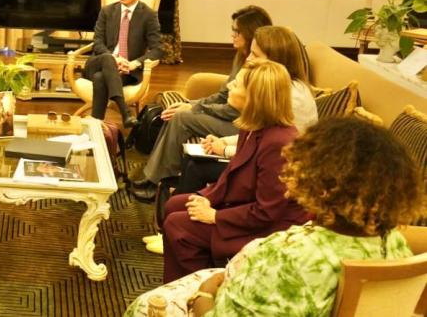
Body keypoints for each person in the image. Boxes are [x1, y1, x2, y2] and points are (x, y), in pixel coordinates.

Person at [124, 116, 425, 316]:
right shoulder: (395, 245)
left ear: (318, 184)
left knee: (143, 307)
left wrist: (204, 294)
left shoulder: (288, 257)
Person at [161, 60, 311, 282]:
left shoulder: (279, 143)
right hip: (247, 207)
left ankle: (199, 288)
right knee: (175, 205)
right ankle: (188, 276)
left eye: (237, 84)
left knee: (178, 226)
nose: (229, 86)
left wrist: (215, 216)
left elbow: (267, 212)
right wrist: (204, 198)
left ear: (254, 96)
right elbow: (231, 176)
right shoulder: (251, 127)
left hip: (273, 229)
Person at [131, 5, 273, 201]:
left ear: (250, 34)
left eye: (236, 31)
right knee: (177, 111)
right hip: (231, 115)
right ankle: (153, 176)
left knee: (182, 118)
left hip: (240, 124)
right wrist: (192, 103)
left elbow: (234, 110)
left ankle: (156, 181)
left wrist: (194, 107)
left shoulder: (261, 69)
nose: (232, 35)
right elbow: (224, 95)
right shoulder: (242, 57)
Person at [175, 26, 317, 194]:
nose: (248, 58)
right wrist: (225, 142)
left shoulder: (287, 96)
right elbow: (256, 135)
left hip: (281, 170)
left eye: (255, 55)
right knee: (192, 159)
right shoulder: (279, 87)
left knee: (196, 166)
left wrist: (225, 149)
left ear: (275, 60)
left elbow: (268, 149)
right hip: (264, 159)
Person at [84, 0, 163, 126]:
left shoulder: (148, 15)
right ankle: (125, 112)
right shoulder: (107, 11)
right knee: (108, 58)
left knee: (101, 78)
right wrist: (115, 59)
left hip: (127, 70)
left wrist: (134, 63)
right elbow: (97, 42)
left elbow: (158, 49)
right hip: (97, 63)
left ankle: (96, 123)